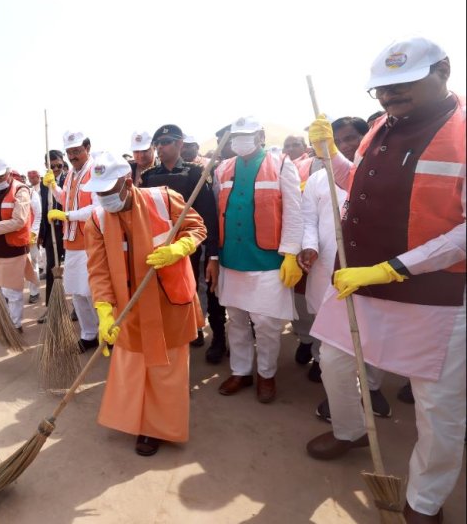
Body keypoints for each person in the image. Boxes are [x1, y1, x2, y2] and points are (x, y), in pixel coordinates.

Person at [305, 37, 465, 523]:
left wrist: (397, 267)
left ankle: (425, 499)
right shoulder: (379, 127)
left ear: (443, 70)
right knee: (332, 360)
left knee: (437, 408)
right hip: (361, 281)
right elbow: (359, 186)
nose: (390, 97)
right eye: (382, 90)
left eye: (403, 85)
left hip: (432, 293)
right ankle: (351, 429)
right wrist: (329, 155)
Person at [84, 152, 206, 456]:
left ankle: (157, 428)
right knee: (132, 366)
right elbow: (98, 270)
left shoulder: (164, 199)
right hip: (129, 307)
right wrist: (102, 311)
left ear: (127, 182)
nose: (103, 198)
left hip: (168, 300)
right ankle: (133, 419)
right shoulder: (97, 220)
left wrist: (180, 247)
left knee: (166, 368)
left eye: (109, 190)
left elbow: (197, 227)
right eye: (98, 192)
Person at [297, 117, 391, 418]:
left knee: (371, 333)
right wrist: (309, 246)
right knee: (329, 331)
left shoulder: (385, 174)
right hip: (327, 267)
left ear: (367, 139)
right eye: (338, 141)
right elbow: (308, 219)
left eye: (352, 138)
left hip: (370, 269)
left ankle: (371, 387)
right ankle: (341, 395)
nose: (346, 145)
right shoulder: (317, 179)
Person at [213, 116, 303, 403]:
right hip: (232, 258)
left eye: (247, 134)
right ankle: (241, 371)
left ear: (260, 135)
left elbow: (294, 212)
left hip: (267, 261)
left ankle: (266, 374)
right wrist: (215, 256)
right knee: (236, 320)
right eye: (236, 135)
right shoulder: (223, 168)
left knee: (266, 324)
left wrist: (291, 253)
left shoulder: (281, 164)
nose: (241, 140)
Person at [140, 124, 225, 363]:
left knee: (207, 290)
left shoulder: (196, 173)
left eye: (165, 143)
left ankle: (218, 337)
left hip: (193, 242)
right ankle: (190, 330)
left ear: (179, 144)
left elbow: (208, 215)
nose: (160, 148)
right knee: (173, 292)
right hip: (164, 247)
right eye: (157, 144)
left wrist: (213, 254)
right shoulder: (149, 177)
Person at [43, 130, 100, 351]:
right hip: (72, 242)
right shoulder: (71, 175)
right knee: (77, 292)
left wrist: (66, 216)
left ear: (87, 147)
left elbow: (97, 207)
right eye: (69, 152)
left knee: (94, 292)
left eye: (76, 151)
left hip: (93, 242)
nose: (73, 156)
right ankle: (88, 334)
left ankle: (107, 332)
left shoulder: (95, 171)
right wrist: (54, 187)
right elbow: (65, 200)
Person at [0, 159, 38, 331]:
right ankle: (3, 318)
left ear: (9, 173)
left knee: (13, 291)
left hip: (12, 249)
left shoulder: (21, 190)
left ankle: (15, 324)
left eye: (1, 176)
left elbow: (19, 220)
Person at [37, 151, 67, 323]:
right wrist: (42, 232)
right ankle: (51, 307)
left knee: (71, 269)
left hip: (68, 229)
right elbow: (43, 208)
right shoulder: (43, 182)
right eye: (52, 166)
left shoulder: (69, 178)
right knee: (51, 269)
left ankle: (77, 310)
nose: (55, 169)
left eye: (59, 165)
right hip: (50, 231)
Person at [25, 170, 42, 303]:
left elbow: (38, 214)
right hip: (14, 238)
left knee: (33, 264)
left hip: (30, 236)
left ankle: (34, 292)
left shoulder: (31, 193)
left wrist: (34, 232)